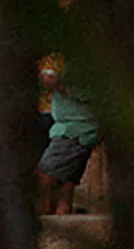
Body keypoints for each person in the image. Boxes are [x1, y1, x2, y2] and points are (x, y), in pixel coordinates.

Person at [39, 74, 101, 217]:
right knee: (65, 184)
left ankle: (39, 223)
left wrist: (57, 84)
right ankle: (61, 213)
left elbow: (86, 92)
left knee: (44, 179)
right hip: (71, 126)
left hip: (75, 128)